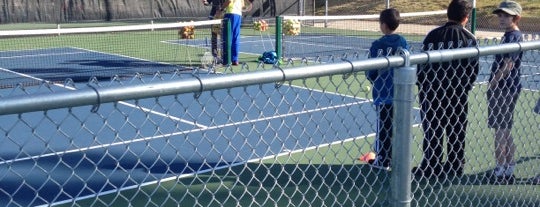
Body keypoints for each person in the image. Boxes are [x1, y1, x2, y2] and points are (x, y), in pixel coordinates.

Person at [413, 0, 479, 178]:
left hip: (432, 93)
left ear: (447, 14)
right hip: (457, 93)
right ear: (466, 18)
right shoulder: (469, 38)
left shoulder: (433, 35)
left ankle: (431, 164)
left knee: (432, 129)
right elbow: (473, 69)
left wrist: (423, 86)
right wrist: (465, 86)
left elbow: (421, 66)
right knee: (456, 130)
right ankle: (455, 165)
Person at [361, 8, 409, 170]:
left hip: (383, 95)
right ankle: (397, 158)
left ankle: (383, 159)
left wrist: (374, 78)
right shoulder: (403, 42)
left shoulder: (377, 45)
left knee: (384, 128)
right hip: (400, 93)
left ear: (383, 24)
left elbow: (371, 70)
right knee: (398, 126)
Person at [487, 0, 523, 184]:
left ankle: (501, 170)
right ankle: (508, 167)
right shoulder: (509, 35)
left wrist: (493, 83)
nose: (501, 18)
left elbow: (508, 64)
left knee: (500, 132)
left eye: (506, 15)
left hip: (503, 88)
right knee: (505, 130)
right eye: (500, 15)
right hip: (508, 88)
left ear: (516, 17)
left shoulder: (513, 37)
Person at [221, 0, 243, 66]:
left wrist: (221, 9)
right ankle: (235, 60)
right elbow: (243, 5)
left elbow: (229, 1)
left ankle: (226, 60)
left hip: (230, 14)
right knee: (235, 37)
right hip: (238, 14)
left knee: (227, 37)